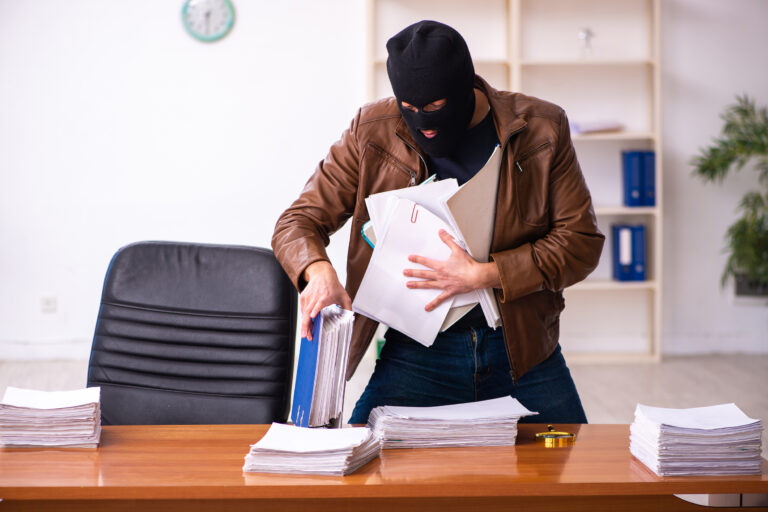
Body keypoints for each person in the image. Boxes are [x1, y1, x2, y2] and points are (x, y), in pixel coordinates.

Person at [272, 20, 604, 425]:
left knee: (576, 473)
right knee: (360, 467)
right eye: (409, 108)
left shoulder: (540, 129)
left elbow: (581, 242)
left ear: (467, 87)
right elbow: (297, 221)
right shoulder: (371, 131)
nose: (423, 121)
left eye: (435, 108)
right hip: (415, 354)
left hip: (523, 350)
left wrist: (487, 274)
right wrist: (317, 270)